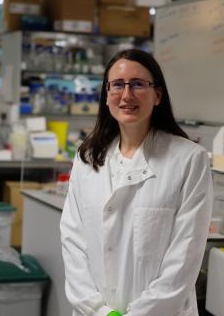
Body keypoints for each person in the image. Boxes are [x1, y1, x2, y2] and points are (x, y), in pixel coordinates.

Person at [60, 49, 213, 316]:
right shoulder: (87, 157)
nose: (127, 95)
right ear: (106, 95)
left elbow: (185, 256)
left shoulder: (189, 160)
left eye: (138, 84)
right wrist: (99, 311)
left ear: (158, 95)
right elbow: (72, 240)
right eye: (117, 85)